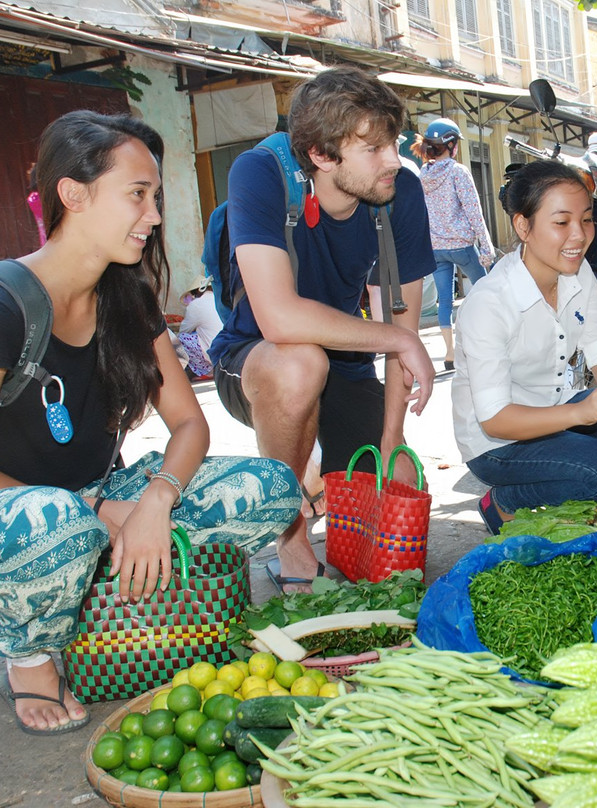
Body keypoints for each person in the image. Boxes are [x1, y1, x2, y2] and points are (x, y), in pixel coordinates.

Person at [0, 111, 299, 735]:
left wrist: (155, 501)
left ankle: (98, 591)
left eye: (155, 197)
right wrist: (92, 515)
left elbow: (190, 424)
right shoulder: (7, 303)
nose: (155, 215)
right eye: (138, 194)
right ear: (73, 195)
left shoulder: (125, 299)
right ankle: (28, 655)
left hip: (99, 498)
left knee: (272, 488)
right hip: (23, 518)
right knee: (51, 526)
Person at [209, 67, 436, 590]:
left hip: (343, 363)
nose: (393, 162)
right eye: (373, 148)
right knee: (300, 362)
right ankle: (289, 534)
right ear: (321, 155)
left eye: (394, 144)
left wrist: (391, 444)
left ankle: (316, 475)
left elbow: (398, 316)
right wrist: (401, 338)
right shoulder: (261, 172)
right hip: (255, 357)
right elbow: (279, 317)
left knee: (399, 484)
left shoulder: (399, 191)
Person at [451, 160, 597, 534]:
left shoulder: (579, 272)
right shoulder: (490, 303)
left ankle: (574, 485)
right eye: (561, 223)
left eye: (587, 220)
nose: (578, 235)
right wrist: (581, 415)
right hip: (498, 442)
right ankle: (504, 501)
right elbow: (495, 418)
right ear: (523, 226)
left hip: (553, 412)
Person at [411, 118, 495, 371]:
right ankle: (488, 344)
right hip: (462, 246)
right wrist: (486, 245)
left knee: (445, 301)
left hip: (436, 249)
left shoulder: (422, 174)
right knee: (487, 293)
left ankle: (450, 354)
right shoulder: (457, 171)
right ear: (452, 145)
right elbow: (473, 211)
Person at [177, 277, 223, 380]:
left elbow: (183, 331)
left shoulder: (196, 304)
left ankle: (206, 370)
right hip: (228, 350)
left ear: (197, 291)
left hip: (214, 353)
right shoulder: (220, 299)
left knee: (180, 339)